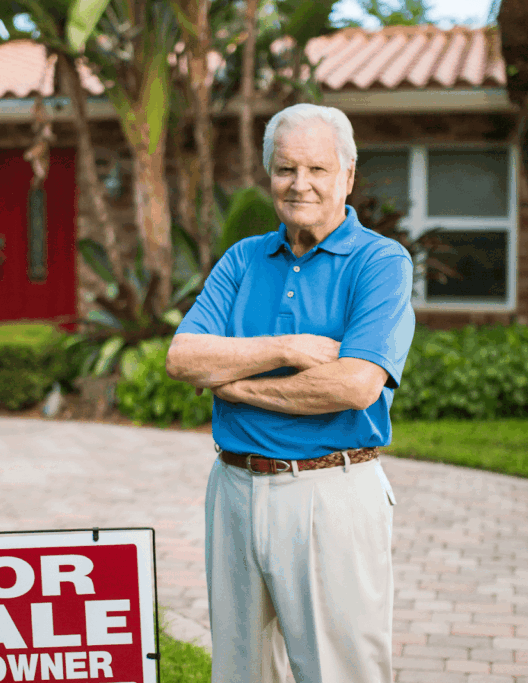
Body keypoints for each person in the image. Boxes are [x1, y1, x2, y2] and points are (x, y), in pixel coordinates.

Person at [165, 103, 416, 683]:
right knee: (240, 672)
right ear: (269, 175)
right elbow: (183, 357)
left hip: (330, 493)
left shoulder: (380, 262)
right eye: (285, 169)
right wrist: (288, 348)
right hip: (233, 488)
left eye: (317, 170)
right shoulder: (243, 258)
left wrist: (232, 384)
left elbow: (354, 384)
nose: (299, 184)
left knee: (339, 673)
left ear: (347, 176)